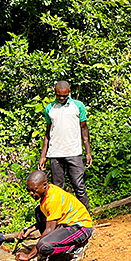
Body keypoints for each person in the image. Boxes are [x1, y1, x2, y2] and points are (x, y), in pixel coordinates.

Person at [15, 170, 94, 261]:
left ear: (44, 185)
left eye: (34, 190)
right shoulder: (46, 193)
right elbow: (50, 219)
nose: (31, 193)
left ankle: (75, 248)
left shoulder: (53, 199)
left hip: (80, 227)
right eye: (29, 190)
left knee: (43, 246)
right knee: (39, 212)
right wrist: (30, 229)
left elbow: (49, 229)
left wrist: (29, 255)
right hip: (65, 225)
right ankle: (51, 249)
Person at [39, 80, 92, 211]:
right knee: (58, 189)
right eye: (59, 96)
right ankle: (62, 217)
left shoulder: (78, 106)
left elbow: (84, 129)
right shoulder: (50, 108)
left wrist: (88, 152)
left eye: (64, 96)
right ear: (55, 93)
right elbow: (48, 133)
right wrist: (43, 156)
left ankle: (86, 216)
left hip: (74, 152)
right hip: (55, 154)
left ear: (69, 93)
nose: (62, 98)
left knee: (78, 185)